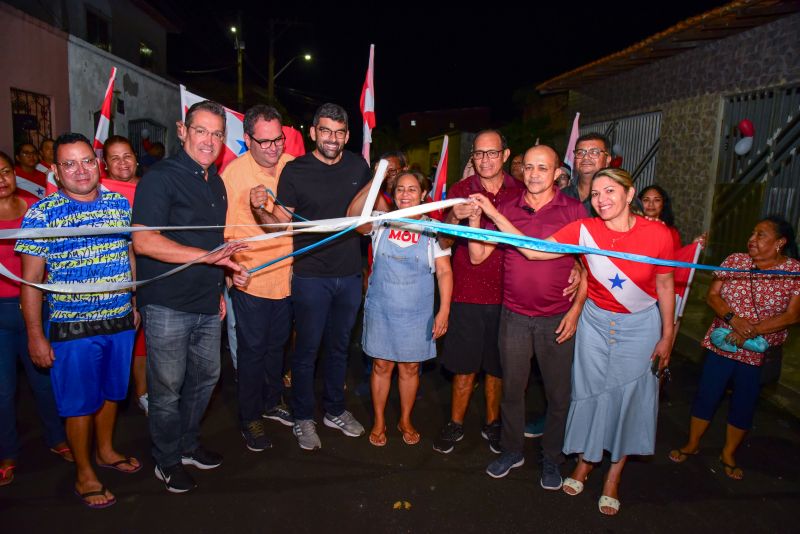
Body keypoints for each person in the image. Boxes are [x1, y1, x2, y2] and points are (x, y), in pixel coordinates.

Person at [472, 167, 675, 515]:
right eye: (595, 194)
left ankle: (613, 476)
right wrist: (491, 213)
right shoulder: (584, 229)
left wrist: (668, 334)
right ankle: (586, 461)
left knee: (628, 398)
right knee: (591, 394)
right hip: (596, 323)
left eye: (610, 191)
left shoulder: (658, 234)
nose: (601, 200)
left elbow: (666, 286)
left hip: (640, 327)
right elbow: (533, 250)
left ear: (630, 194)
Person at [16, 133, 141, 508]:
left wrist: (132, 301)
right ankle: (84, 472)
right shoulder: (42, 213)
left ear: (97, 164)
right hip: (73, 329)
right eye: (69, 163)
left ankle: (105, 450)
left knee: (111, 393)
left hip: (119, 321)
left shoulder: (120, 204)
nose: (80, 170)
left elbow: (129, 255)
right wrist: (36, 335)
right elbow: (30, 282)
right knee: (78, 404)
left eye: (87, 161)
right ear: (55, 171)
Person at [132, 100, 249, 493]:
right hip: (166, 301)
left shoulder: (214, 182)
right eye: (201, 130)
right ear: (183, 131)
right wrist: (208, 257)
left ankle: (186, 442)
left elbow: (210, 241)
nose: (209, 140)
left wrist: (220, 281)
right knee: (167, 388)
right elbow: (144, 241)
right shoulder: (160, 178)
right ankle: (165, 460)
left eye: (217, 133)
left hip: (205, 300)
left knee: (207, 378)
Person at [250, 103, 372, 450]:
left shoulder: (357, 166)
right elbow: (279, 226)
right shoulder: (295, 171)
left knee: (338, 348)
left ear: (347, 136)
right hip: (310, 277)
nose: (332, 138)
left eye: (339, 132)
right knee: (306, 350)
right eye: (325, 131)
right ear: (313, 132)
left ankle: (335, 409)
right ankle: (303, 417)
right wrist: (260, 208)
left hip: (349, 275)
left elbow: (364, 218)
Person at [467, 145, 588, 489]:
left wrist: (577, 308)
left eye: (542, 168)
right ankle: (511, 450)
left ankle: (552, 458)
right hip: (515, 316)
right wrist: (476, 218)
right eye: (529, 167)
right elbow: (477, 257)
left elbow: (590, 265)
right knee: (512, 391)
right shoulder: (507, 207)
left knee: (558, 394)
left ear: (557, 174)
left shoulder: (574, 209)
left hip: (556, 318)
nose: (534, 174)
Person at [669, 216, 800, 480]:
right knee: (708, 393)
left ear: (780, 242)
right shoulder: (735, 261)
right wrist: (734, 321)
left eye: (761, 235)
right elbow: (713, 295)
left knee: (745, 402)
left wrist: (752, 331)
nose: (752, 239)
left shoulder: (793, 271)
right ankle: (693, 444)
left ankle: (728, 453)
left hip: (758, 352)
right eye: (752, 233)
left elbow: (792, 316)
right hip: (723, 345)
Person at [433, 129, 524, 455]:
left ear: (506, 154)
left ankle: (492, 423)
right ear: (472, 156)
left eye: (492, 153)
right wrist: (451, 218)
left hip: (510, 294)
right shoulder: (460, 191)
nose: (485, 159)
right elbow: (441, 244)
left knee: (497, 368)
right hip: (468, 293)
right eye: (479, 153)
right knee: (464, 366)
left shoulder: (521, 192)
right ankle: (455, 423)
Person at [349, 171, 452, 447]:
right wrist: (376, 180)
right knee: (381, 366)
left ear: (423, 194)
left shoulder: (434, 228)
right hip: (382, 307)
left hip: (416, 313)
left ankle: (405, 419)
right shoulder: (381, 222)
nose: (406, 194)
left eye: (412, 189)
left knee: (409, 368)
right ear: (393, 195)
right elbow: (356, 220)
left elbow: (444, 272)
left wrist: (443, 311)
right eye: (400, 190)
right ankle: (379, 420)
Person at [223, 104, 295, 452]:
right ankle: (249, 416)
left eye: (278, 139)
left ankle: (271, 400)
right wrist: (231, 273)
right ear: (248, 139)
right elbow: (223, 233)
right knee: (251, 352)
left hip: (288, 278)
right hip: (251, 280)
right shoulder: (233, 175)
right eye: (264, 142)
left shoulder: (293, 166)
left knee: (276, 347)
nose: (273, 148)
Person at [0, 150, 72, 487]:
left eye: (5, 172)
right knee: (4, 390)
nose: (2, 180)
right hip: (0, 314)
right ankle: (8, 451)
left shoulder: (34, 207)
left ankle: (56, 437)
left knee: (44, 380)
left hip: (35, 305)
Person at [562, 133, 612, 215]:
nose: (586, 157)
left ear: (607, 160)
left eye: (594, 152)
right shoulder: (561, 197)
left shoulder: (618, 198)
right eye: (580, 152)